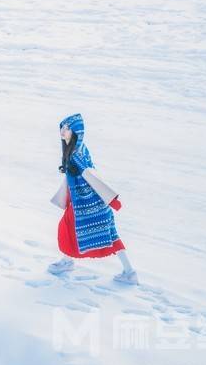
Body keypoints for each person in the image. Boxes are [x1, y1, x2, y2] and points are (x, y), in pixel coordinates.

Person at [47, 113, 138, 285]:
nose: (62, 131)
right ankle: (129, 272)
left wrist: (112, 199)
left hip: (88, 203)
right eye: (62, 127)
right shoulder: (76, 149)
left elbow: (91, 176)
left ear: (75, 131)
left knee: (71, 229)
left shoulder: (76, 155)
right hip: (86, 202)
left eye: (67, 128)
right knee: (105, 234)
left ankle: (68, 261)